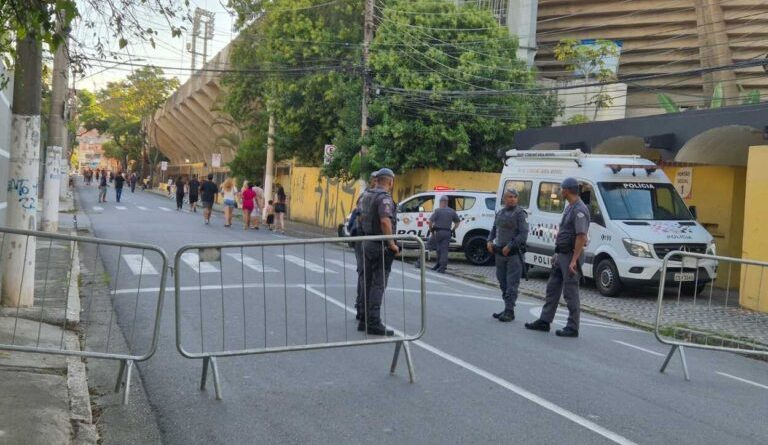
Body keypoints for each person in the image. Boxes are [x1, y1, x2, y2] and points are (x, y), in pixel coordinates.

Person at [525, 177, 589, 338]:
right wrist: (557, 253)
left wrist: (574, 260)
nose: (560, 192)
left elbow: (581, 237)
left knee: (570, 292)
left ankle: (573, 327)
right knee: (552, 288)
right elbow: (564, 233)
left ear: (567, 190)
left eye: (561, 189)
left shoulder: (580, 209)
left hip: (571, 256)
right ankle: (545, 321)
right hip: (562, 254)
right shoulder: (569, 207)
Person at [358, 167, 399, 336]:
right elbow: (385, 221)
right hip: (379, 245)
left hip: (367, 241)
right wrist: (392, 243)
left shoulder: (367, 195)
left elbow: (360, 217)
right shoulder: (384, 198)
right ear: (390, 181)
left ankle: (363, 319)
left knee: (367, 281)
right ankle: (373, 321)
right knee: (378, 284)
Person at [487, 189, 529, 322]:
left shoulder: (520, 214)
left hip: (513, 255)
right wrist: (489, 240)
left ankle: (510, 311)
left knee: (512, 284)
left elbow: (523, 234)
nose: (512, 199)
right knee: (502, 282)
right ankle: (506, 307)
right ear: (504, 199)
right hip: (499, 253)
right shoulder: (500, 212)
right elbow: (494, 229)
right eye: (509, 197)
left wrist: (510, 246)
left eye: (515, 197)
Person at [351, 171, 379, 322]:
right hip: (364, 239)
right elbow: (362, 216)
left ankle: (363, 307)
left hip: (367, 239)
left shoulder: (369, 196)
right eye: (376, 181)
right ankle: (361, 307)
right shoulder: (367, 197)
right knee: (364, 274)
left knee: (366, 275)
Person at [428, 195, 461, 273]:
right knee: (444, 250)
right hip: (447, 232)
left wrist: (432, 231)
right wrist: (452, 230)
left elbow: (430, 222)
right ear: (447, 202)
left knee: (433, 247)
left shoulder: (438, 211)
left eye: (440, 202)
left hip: (438, 232)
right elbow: (457, 222)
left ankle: (421, 263)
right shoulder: (452, 211)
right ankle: (441, 266)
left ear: (442, 202)